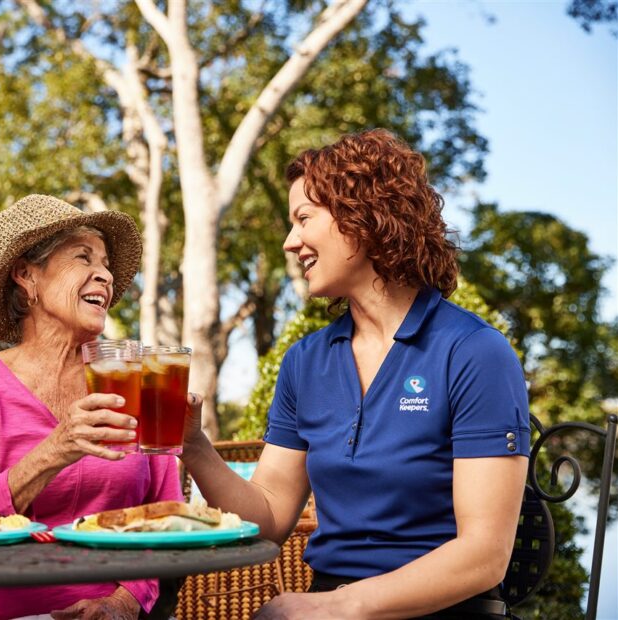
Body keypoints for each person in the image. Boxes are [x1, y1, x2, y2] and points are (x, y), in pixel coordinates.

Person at [180, 129, 530, 619]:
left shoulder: (473, 352)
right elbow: (268, 517)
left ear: (363, 217)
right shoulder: (306, 361)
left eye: (303, 218)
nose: (289, 242)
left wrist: (339, 607)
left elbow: (484, 557)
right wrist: (194, 446)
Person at [0, 194, 181, 620]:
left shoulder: (135, 378)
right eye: (83, 257)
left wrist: (125, 602)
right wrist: (55, 451)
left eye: (106, 263)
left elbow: (168, 518)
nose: (104, 275)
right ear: (26, 275)